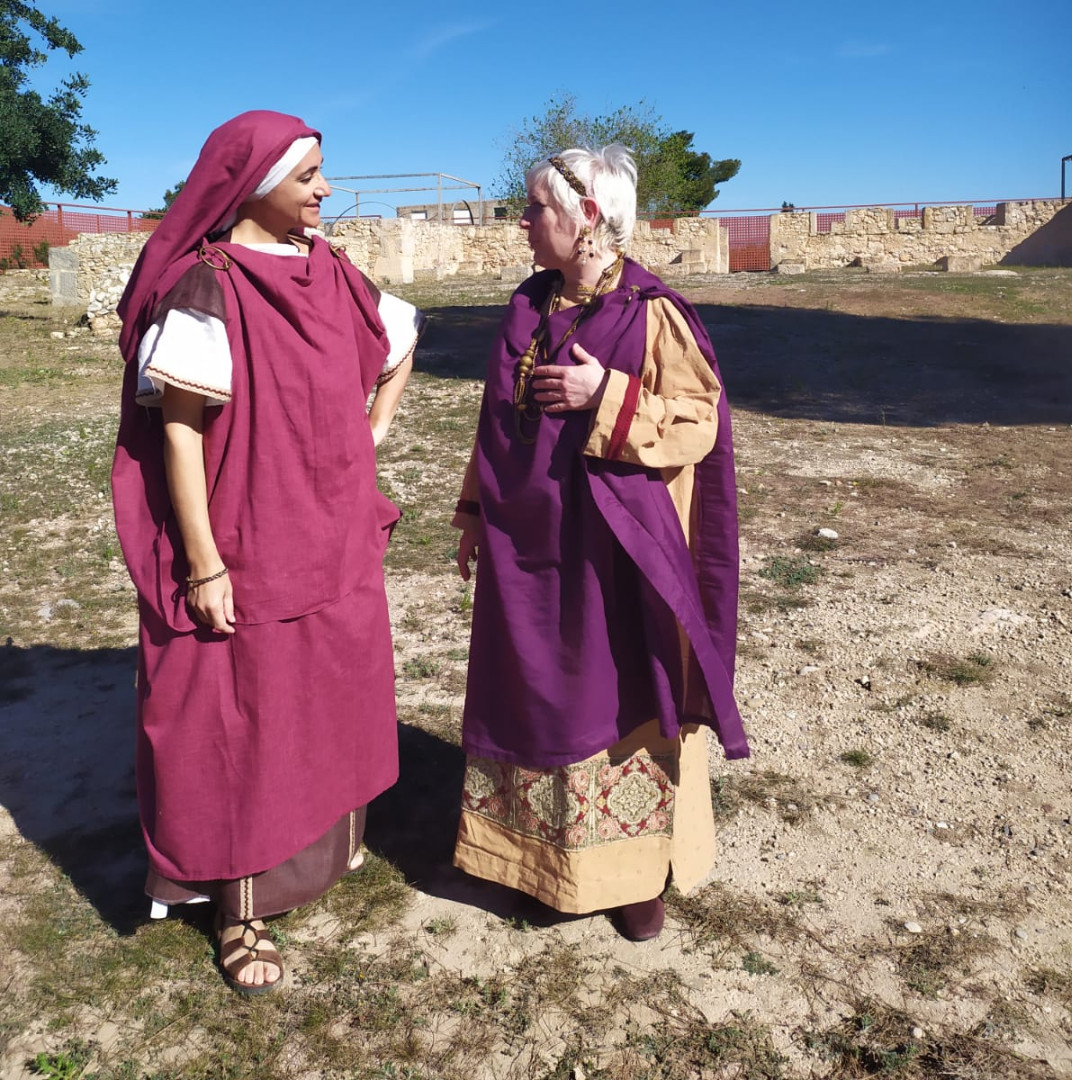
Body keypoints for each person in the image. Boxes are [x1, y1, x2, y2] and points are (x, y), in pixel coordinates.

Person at [112, 111, 420, 993]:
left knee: (329, 697)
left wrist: (372, 437)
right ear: (254, 186)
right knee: (244, 718)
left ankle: (323, 853)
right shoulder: (209, 287)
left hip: (332, 527)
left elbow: (400, 340)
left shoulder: (331, 270)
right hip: (248, 536)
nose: (326, 188)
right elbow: (178, 437)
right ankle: (238, 912)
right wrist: (204, 563)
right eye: (310, 174)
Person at [452, 146, 748, 941]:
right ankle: (526, 859)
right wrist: (476, 512)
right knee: (528, 694)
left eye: (534, 209)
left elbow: (699, 420)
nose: (520, 221)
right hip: (526, 544)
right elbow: (493, 419)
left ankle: (632, 876)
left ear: (586, 216)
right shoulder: (524, 305)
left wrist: (604, 394)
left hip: (613, 552)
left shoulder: (653, 312)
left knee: (614, 692)